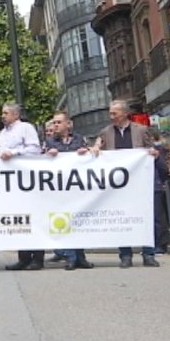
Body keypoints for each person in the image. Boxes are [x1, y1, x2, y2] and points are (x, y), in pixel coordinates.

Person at [92, 100, 160, 268]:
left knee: (145, 215)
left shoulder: (141, 130)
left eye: (114, 113)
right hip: (118, 184)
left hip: (139, 182)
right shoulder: (106, 132)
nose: (111, 116)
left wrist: (153, 153)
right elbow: (97, 149)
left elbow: (153, 149)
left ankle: (149, 254)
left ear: (124, 113)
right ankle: (125, 255)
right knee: (121, 217)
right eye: (110, 113)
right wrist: (95, 149)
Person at [44, 111, 94, 271]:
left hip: (77, 187)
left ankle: (81, 257)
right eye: (54, 123)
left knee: (78, 223)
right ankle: (70, 257)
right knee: (66, 223)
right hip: (60, 189)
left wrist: (85, 152)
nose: (55, 125)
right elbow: (41, 162)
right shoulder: (50, 141)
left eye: (58, 122)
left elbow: (89, 157)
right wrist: (48, 155)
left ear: (68, 124)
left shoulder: (79, 139)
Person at [0, 103, 43, 271]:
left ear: (16, 115)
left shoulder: (26, 128)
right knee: (20, 220)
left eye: (6, 113)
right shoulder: (2, 133)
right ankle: (23, 258)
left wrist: (14, 153)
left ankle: (37, 258)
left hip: (28, 180)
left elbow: (35, 149)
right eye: (2, 113)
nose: (3, 116)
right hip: (11, 183)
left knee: (34, 218)